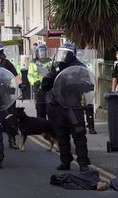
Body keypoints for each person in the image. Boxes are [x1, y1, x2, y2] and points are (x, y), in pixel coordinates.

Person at [42, 42, 91, 172]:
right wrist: (47, 79)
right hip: (58, 105)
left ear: (71, 54)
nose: (62, 56)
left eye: (65, 53)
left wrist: (79, 85)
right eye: (61, 53)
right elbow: (46, 86)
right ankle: (65, 161)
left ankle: (83, 163)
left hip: (73, 105)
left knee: (79, 134)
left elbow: (87, 85)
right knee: (61, 135)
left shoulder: (80, 67)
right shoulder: (57, 67)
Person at [0, 42, 24, 150]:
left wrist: (21, 84)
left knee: (10, 117)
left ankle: (12, 139)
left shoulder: (7, 63)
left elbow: (16, 75)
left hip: (7, 94)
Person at [27, 44, 52, 119]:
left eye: (43, 51)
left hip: (48, 89)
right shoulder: (33, 63)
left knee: (50, 109)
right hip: (38, 89)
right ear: (37, 53)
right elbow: (30, 75)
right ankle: (42, 128)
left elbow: (53, 73)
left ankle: (51, 128)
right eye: (40, 52)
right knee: (40, 109)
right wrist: (34, 82)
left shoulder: (50, 62)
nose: (42, 53)